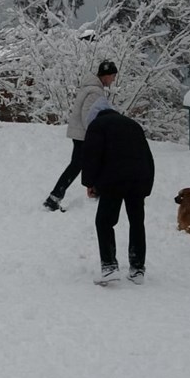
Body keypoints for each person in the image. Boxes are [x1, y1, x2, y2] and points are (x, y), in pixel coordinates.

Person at [80, 101, 155, 284]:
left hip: (113, 180)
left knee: (104, 222)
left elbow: (91, 156)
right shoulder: (132, 124)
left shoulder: (97, 126)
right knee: (137, 222)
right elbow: (147, 156)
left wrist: (89, 183)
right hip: (139, 179)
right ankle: (137, 269)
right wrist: (147, 185)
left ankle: (109, 267)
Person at [43, 60, 118, 211]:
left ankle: (57, 197)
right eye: (113, 76)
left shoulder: (90, 88)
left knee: (79, 165)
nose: (114, 80)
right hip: (84, 135)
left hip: (80, 134)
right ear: (106, 75)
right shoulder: (95, 91)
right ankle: (55, 197)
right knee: (80, 165)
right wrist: (95, 134)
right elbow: (87, 115)